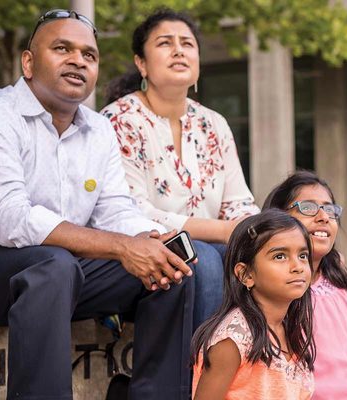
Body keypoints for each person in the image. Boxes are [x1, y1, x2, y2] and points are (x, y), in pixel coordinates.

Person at [0, 10, 195, 399]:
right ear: (28, 63)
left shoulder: (97, 129)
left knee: (173, 267)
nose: (78, 60)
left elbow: (115, 209)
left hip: (60, 271)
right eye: (62, 48)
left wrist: (147, 240)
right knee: (53, 265)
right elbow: (12, 220)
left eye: (89, 54)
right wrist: (121, 247)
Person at [101, 8, 259, 329]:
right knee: (208, 259)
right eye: (165, 43)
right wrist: (223, 232)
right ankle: (202, 372)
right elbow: (132, 211)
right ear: (141, 63)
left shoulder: (214, 124)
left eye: (187, 43)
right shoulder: (117, 121)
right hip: (144, 251)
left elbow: (239, 204)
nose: (178, 50)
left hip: (215, 247)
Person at [264, 171, 347, 399]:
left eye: (329, 209)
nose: (323, 216)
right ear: (279, 217)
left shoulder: (335, 269)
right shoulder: (280, 283)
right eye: (308, 207)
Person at [190, 210, 316, 399]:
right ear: (246, 275)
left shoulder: (291, 328)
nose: (297, 266)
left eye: (303, 255)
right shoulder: (233, 339)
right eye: (280, 256)